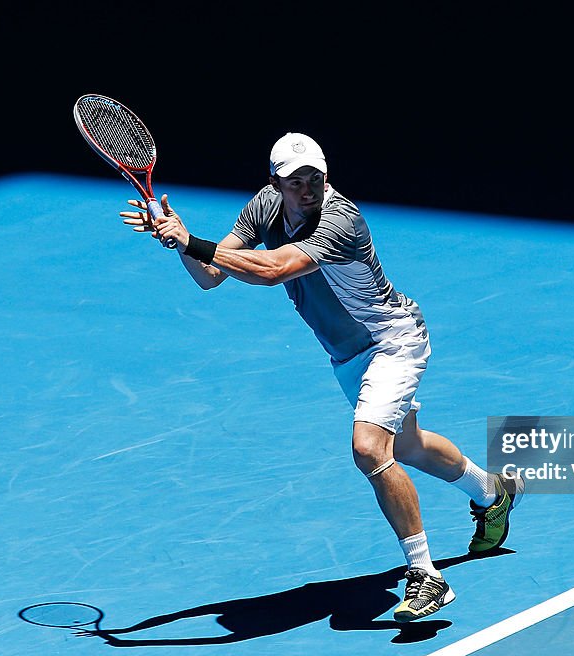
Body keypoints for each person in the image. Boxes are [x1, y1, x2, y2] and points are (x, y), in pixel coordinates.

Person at [120, 132, 524, 622]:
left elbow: (272, 270)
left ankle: (427, 577)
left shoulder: (340, 219)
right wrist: (178, 240)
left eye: (315, 177)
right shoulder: (264, 207)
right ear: (275, 182)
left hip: (391, 341)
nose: (307, 189)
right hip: (347, 355)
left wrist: (193, 241)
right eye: (295, 182)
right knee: (407, 447)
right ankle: (493, 494)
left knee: (369, 449)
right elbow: (211, 275)